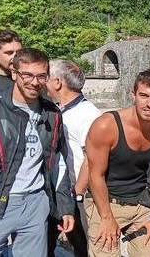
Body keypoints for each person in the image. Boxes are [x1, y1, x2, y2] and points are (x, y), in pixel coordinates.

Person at [0, 48, 74, 257]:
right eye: (28, 75)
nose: (34, 82)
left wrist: (65, 207)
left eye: (41, 76)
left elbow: (58, 162)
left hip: (35, 203)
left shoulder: (52, 113)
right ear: (14, 74)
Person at [86, 69, 150, 257]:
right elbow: (95, 175)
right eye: (144, 96)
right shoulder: (106, 126)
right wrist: (106, 217)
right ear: (133, 95)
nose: (149, 104)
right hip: (105, 201)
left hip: (140, 201)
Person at [45, 59, 102, 257]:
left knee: (86, 246)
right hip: (64, 193)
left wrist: (77, 193)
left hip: (80, 196)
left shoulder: (88, 114)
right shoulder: (61, 111)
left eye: (46, 78)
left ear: (58, 82)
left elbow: (92, 157)